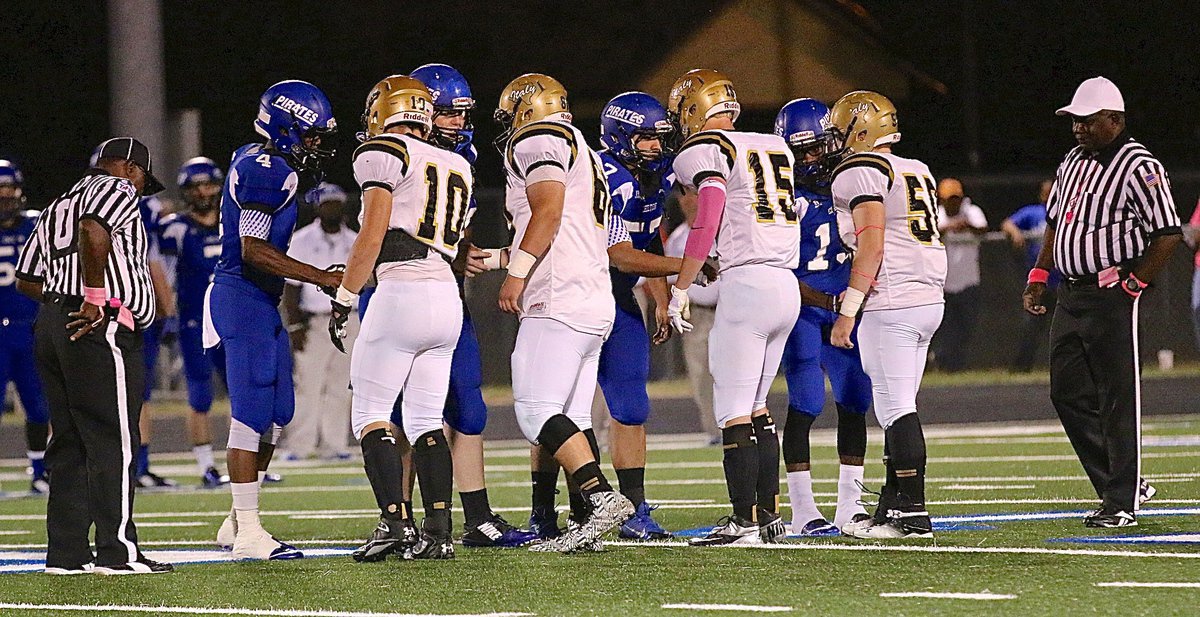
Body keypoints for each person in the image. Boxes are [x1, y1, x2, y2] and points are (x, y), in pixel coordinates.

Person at [1023, 76, 1181, 528]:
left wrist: (1135, 285)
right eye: (1075, 120)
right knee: (1066, 392)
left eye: (1088, 121)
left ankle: (1121, 502)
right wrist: (1039, 274)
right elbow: (1055, 224)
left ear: (1115, 120)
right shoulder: (1072, 160)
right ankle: (1123, 482)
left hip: (1112, 293)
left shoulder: (1139, 165)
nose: (1078, 128)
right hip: (1070, 291)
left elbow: (1168, 233)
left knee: (1116, 396)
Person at [333, 75, 476, 561]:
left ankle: (395, 524)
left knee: (370, 414)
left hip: (401, 289)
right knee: (425, 419)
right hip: (446, 294)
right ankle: (438, 531)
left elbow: (373, 233)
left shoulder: (384, 151)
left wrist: (345, 295)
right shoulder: (457, 161)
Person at [17, 136, 173, 574]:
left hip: (53, 324)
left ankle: (66, 554)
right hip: (96, 325)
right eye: (142, 178)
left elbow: (26, 279)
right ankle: (117, 552)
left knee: (68, 442)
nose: (141, 189)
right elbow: (92, 227)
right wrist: (93, 297)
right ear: (126, 167)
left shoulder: (55, 205)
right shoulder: (114, 187)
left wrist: (62, 301)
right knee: (115, 440)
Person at [494, 72, 635, 553]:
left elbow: (548, 212)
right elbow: (573, 229)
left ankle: (599, 499)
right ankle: (584, 524)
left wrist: (515, 272)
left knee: (536, 412)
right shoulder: (587, 150)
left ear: (526, 110)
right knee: (574, 416)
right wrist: (499, 257)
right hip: (592, 296)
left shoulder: (540, 136)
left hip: (559, 298)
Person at [206, 80, 342, 560]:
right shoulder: (267, 169)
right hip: (240, 296)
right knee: (249, 413)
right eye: (309, 135)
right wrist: (319, 277)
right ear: (285, 128)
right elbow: (254, 249)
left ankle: (235, 519)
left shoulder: (265, 160)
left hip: (259, 301)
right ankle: (248, 532)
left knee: (277, 410)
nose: (315, 145)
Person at [667, 69, 800, 546]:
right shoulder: (773, 145)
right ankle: (769, 517)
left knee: (732, 410)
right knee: (759, 406)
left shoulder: (707, 149)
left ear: (692, 110)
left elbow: (709, 211)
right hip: (786, 283)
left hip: (747, 284)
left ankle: (743, 521)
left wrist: (682, 283)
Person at [410, 62, 537, 549]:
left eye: (464, 114)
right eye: (450, 114)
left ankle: (477, 516)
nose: (460, 124)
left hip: (445, 295)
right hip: (401, 291)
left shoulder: (459, 158)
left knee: (468, 406)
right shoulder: (394, 156)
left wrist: (461, 251)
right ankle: (396, 517)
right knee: (406, 417)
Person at [827, 90, 946, 540]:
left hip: (893, 301)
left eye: (841, 132)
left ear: (861, 131)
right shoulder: (916, 169)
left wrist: (848, 311)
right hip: (927, 299)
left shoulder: (862, 169)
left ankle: (913, 515)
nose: (836, 142)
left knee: (895, 408)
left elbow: (872, 246)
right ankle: (893, 504)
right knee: (899, 405)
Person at [773, 98, 873, 537]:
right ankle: (802, 509)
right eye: (805, 151)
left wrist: (848, 304)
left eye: (821, 147)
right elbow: (773, 268)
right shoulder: (782, 200)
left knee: (855, 401)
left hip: (845, 311)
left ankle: (850, 508)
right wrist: (827, 303)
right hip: (803, 312)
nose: (815, 158)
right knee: (807, 403)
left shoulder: (854, 188)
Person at [593, 91, 676, 540]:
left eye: (657, 139)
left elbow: (649, 242)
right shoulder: (605, 176)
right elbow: (622, 255)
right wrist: (687, 267)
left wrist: (661, 296)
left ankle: (634, 509)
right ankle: (547, 509)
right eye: (645, 139)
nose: (655, 148)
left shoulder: (654, 179)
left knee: (631, 405)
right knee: (557, 407)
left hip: (619, 296)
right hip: (575, 296)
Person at [157, 157, 229, 487]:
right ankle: (206, 466)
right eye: (197, 186)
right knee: (200, 396)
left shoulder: (234, 222)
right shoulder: (175, 228)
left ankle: (248, 465)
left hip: (231, 320)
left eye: (209, 184)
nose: (204, 192)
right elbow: (164, 275)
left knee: (245, 396)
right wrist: (168, 315)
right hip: (195, 323)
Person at [282, 182, 356, 461]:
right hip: (313, 321)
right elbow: (292, 286)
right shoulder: (301, 240)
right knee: (307, 384)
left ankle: (334, 445)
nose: (332, 208)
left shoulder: (355, 240)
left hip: (350, 320)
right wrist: (295, 325)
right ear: (317, 206)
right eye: (327, 203)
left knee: (341, 385)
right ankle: (300, 446)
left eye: (336, 202)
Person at [0, 159, 49, 494]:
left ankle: (40, 471)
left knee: (39, 405)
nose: (5, 197)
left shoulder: (34, 225)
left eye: (10, 191)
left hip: (29, 327)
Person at [664, 193, 720, 444]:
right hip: (696, 311)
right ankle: (714, 430)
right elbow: (667, 277)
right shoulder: (678, 238)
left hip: (726, 310)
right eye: (683, 196)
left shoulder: (721, 230)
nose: (688, 202)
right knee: (700, 374)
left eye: (693, 195)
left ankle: (740, 424)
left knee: (732, 371)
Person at [932, 178, 988, 372]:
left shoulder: (971, 212)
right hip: (942, 283)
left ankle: (957, 364)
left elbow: (983, 229)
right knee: (945, 327)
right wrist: (948, 228)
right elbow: (929, 235)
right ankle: (942, 362)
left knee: (966, 326)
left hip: (968, 281)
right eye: (949, 199)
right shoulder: (936, 216)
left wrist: (967, 225)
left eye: (956, 198)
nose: (953, 203)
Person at [1001, 180, 1057, 372]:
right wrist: (1015, 233)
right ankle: (1021, 368)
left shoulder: (1067, 211)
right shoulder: (1033, 213)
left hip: (1063, 281)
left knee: (1064, 329)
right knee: (1030, 328)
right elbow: (1007, 223)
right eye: (1047, 193)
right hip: (1040, 282)